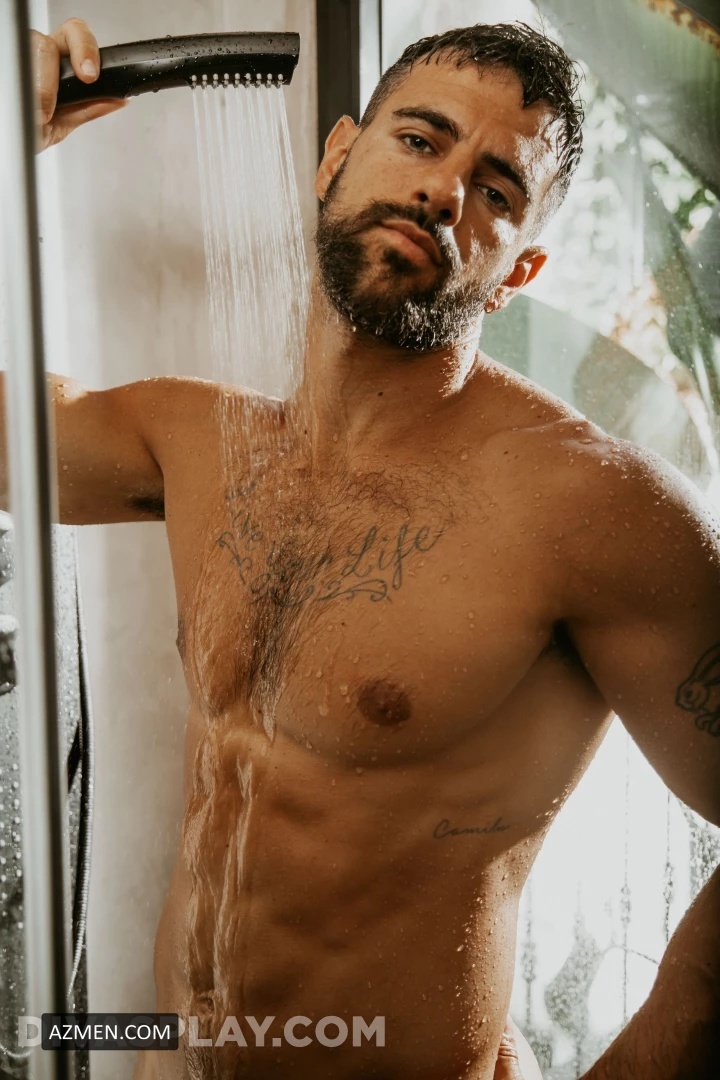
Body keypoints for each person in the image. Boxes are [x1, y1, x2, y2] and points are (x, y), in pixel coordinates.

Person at [4, 14, 719, 1080]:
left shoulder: (589, 507)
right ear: (336, 156)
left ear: (521, 268)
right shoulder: (202, 445)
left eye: (497, 190)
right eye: (420, 140)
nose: (444, 192)